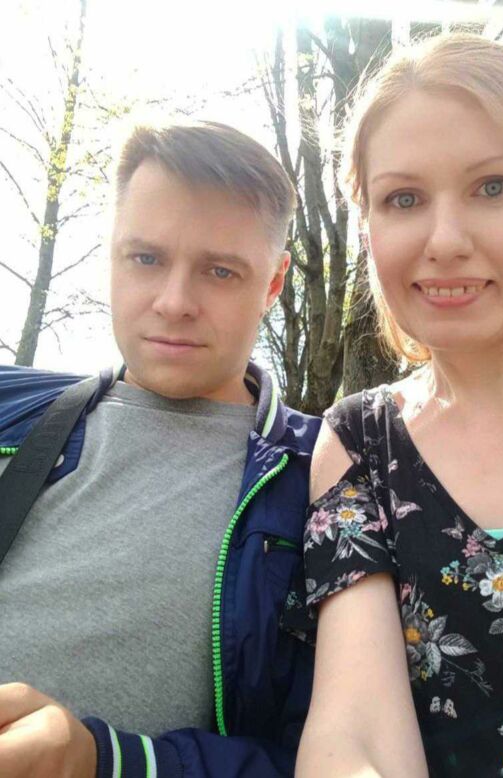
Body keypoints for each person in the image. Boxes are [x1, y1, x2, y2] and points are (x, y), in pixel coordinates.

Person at [293, 33, 503, 778]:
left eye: (492, 187)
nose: (445, 240)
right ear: (369, 230)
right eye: (404, 199)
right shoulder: (359, 443)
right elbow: (354, 732)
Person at [0, 122, 319, 777]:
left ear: (273, 283)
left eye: (220, 271)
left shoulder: (327, 478)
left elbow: (346, 754)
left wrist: (109, 762)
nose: (174, 303)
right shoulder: (12, 411)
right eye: (145, 259)